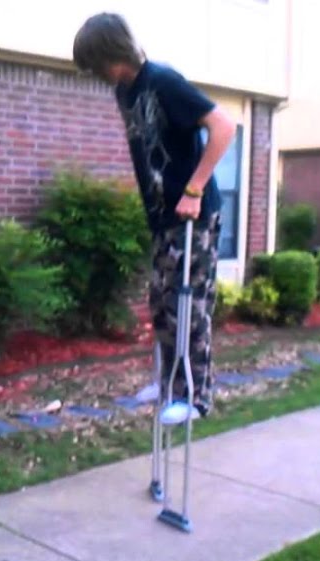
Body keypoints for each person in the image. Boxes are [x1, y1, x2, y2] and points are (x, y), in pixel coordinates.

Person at [73, 12, 235, 424]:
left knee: (188, 305)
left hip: (193, 216)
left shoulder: (163, 81)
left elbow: (223, 126)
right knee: (162, 303)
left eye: (96, 64)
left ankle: (195, 397)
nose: (97, 74)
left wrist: (194, 189)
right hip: (163, 217)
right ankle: (168, 386)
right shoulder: (124, 92)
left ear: (112, 52)